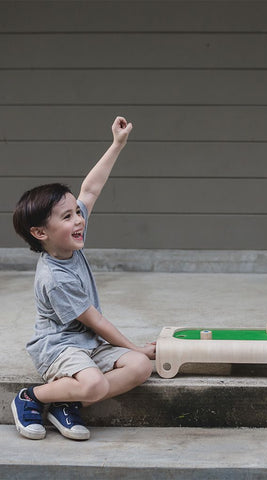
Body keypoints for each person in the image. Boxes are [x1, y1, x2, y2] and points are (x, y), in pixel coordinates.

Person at [11, 116, 156, 441]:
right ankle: (31, 397)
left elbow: (90, 188)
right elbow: (97, 322)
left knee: (139, 368)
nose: (79, 219)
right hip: (59, 349)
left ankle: (67, 400)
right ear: (40, 232)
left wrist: (117, 144)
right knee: (96, 382)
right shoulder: (55, 277)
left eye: (77, 212)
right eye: (68, 216)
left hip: (87, 346)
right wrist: (137, 346)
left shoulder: (67, 236)